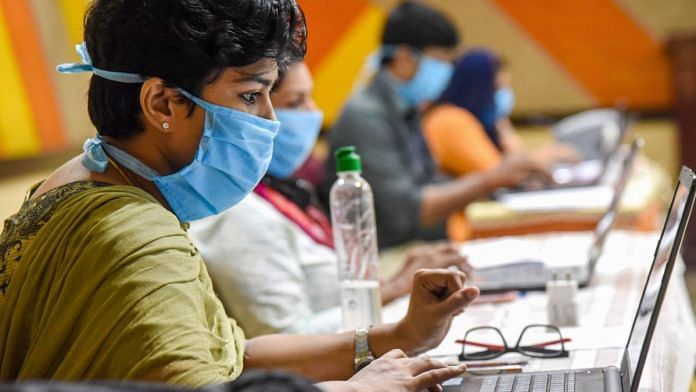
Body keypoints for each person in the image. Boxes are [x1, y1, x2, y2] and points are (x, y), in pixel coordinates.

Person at [0, 1, 479, 391]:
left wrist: (397, 336)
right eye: (252, 95)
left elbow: (232, 357)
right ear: (163, 103)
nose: (270, 121)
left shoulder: (84, 180)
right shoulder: (132, 232)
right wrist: (360, 389)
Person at [189, 61, 471, 337]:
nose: (314, 112)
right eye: (297, 102)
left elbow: (333, 285)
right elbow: (285, 338)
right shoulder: (237, 214)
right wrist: (395, 287)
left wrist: (402, 273)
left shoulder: (283, 189)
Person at [322, 2, 550, 248]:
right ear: (405, 57)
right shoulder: (366, 115)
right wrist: (491, 180)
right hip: (387, 254)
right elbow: (406, 213)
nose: (445, 72)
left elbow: (430, 181)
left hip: (419, 244)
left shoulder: (406, 109)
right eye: (440, 61)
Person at [423, 48, 578, 178]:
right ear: (479, 89)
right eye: (495, 90)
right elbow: (496, 175)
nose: (499, 99)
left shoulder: (483, 122)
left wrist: (503, 128)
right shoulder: (451, 120)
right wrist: (542, 157)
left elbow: (513, 160)